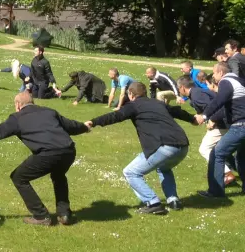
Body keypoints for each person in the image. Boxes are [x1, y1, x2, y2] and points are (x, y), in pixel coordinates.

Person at [0, 92, 89, 226]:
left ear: (18, 105)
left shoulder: (17, 118)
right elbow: (70, 126)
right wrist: (85, 127)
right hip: (68, 150)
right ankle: (64, 214)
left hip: (48, 153)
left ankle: (41, 216)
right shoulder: (49, 111)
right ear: (32, 102)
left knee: (18, 177)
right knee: (59, 175)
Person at [86, 82, 197, 214]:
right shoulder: (158, 103)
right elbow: (176, 111)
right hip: (182, 145)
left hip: (163, 146)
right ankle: (173, 200)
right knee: (164, 168)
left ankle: (153, 203)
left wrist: (93, 122)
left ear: (131, 94)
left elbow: (115, 116)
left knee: (131, 172)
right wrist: (192, 119)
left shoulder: (133, 105)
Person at [194, 62, 245, 198]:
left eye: (214, 73)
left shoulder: (226, 81)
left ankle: (216, 192)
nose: (214, 77)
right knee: (241, 157)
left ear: (220, 73)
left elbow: (218, 101)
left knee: (217, 154)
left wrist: (204, 116)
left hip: (240, 126)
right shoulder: (240, 81)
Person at [176, 76, 235, 186]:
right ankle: (231, 172)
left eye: (178, 88)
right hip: (226, 122)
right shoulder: (197, 92)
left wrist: (212, 119)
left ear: (183, 88)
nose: (179, 91)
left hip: (221, 124)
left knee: (205, 148)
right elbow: (207, 109)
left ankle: (227, 174)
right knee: (223, 151)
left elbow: (218, 107)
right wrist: (200, 117)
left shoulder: (197, 95)